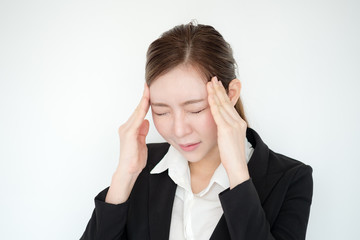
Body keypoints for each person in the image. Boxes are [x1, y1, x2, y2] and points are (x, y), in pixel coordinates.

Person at [80, 22, 313, 240]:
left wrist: (238, 174)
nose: (179, 130)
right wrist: (124, 177)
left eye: (195, 109)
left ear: (230, 94)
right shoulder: (141, 168)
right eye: (161, 112)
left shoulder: (291, 179)